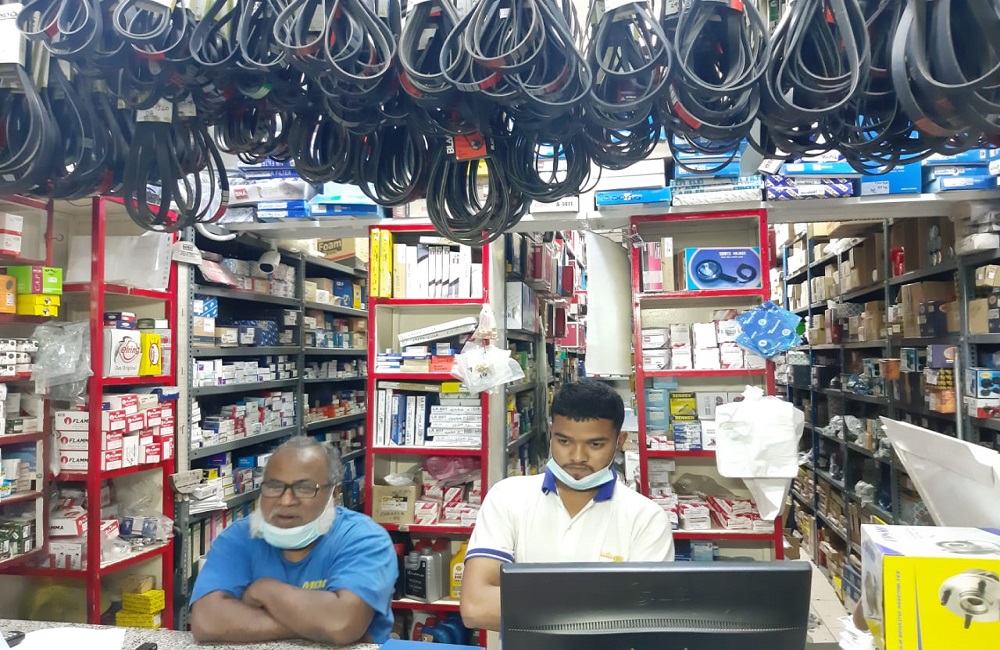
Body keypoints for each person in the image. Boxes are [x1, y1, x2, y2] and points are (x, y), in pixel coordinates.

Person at [460, 379, 674, 632]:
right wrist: (604, 604)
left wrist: (527, 602)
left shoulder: (646, 518)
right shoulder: (507, 497)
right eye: (564, 441)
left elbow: (645, 620)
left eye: (595, 444)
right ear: (551, 433)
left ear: (619, 441)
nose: (577, 457)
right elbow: (476, 608)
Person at [189, 436, 397, 644]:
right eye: (274, 486)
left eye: (305, 488)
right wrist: (317, 625)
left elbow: (341, 624)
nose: (286, 500)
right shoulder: (239, 537)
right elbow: (207, 621)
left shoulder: (364, 538)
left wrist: (265, 590)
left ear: (335, 493)